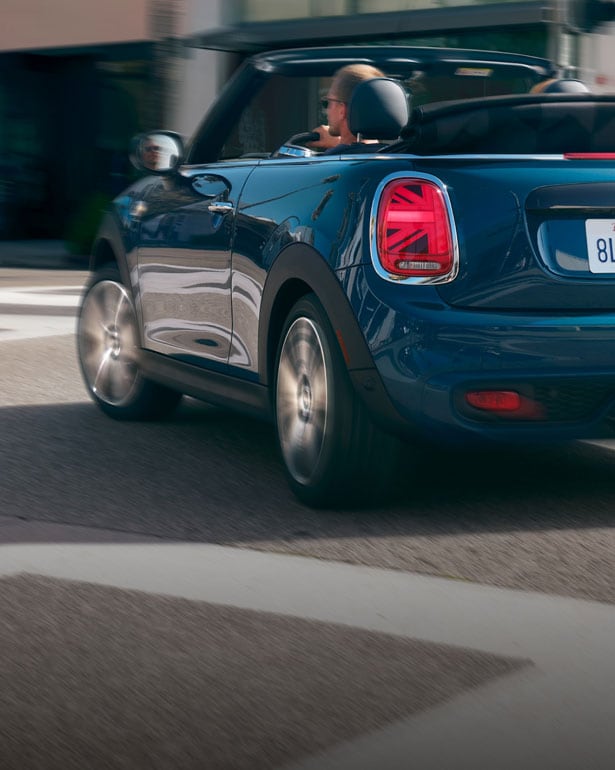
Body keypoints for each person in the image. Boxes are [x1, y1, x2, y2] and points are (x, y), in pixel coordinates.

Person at [309, 64, 385, 153]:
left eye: (328, 102)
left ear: (342, 110)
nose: (327, 110)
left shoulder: (329, 160)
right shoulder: (395, 154)